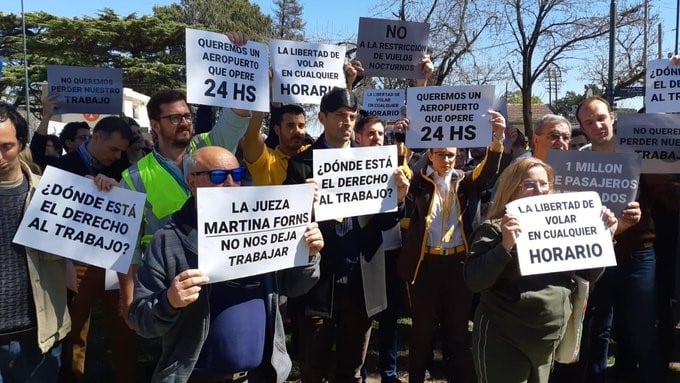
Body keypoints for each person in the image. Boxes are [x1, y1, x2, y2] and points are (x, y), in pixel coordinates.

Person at [129, 146, 324, 382]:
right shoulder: (169, 240)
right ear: (192, 182)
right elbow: (141, 321)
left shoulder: (263, 229)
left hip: (261, 375)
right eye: (219, 177)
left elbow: (294, 287)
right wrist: (170, 300)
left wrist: (309, 256)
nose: (231, 184)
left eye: (238, 175)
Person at [119, 32, 252, 321]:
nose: (185, 122)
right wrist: (127, 295)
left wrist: (238, 59)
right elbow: (127, 244)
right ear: (154, 124)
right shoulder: (133, 177)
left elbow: (239, 113)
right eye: (175, 118)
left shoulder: (211, 144)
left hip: (224, 258)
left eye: (187, 115)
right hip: (169, 274)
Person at [284, 87, 410, 383]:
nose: (347, 122)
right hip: (318, 286)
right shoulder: (301, 166)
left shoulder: (375, 161)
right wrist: (304, 203)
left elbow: (384, 222)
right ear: (322, 118)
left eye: (352, 116)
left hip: (362, 282)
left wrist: (400, 198)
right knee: (313, 369)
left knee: (352, 371)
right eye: (340, 115)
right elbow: (291, 228)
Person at [464, 157, 618, 383]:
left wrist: (604, 239)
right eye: (529, 185)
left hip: (547, 339)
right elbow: (474, 281)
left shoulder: (564, 227)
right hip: (504, 339)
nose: (539, 190)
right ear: (511, 188)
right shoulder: (495, 228)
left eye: (544, 184)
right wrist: (505, 245)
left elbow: (587, 276)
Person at [398, 110, 506, 383]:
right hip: (425, 266)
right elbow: (401, 170)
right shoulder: (418, 184)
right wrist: (401, 138)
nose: (446, 159)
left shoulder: (464, 181)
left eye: (450, 154)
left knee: (457, 332)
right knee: (421, 332)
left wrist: (498, 138)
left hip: (457, 265)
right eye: (440, 154)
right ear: (430, 155)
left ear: (457, 154)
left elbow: (487, 172)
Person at [573, 96, 664, 382]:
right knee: (595, 327)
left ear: (613, 117)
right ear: (582, 129)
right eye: (588, 122)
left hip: (638, 253)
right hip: (596, 256)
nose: (597, 125)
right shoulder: (578, 162)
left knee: (642, 327)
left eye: (601, 117)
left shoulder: (641, 153)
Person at [51, 116, 137, 383]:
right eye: (113, 149)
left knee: (124, 325)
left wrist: (117, 188)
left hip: (114, 260)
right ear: (95, 137)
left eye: (122, 151)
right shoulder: (61, 166)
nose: (118, 155)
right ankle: (74, 377)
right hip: (76, 261)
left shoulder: (124, 169)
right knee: (75, 329)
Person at [0, 101, 71, 382]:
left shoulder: (54, 193)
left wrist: (103, 193)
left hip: (39, 334)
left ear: (21, 143)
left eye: (6, 146)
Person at [353, 114, 407, 383]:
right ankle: (358, 370)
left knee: (390, 317)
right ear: (358, 137)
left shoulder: (396, 167)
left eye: (380, 134)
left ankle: (388, 372)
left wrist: (399, 197)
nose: (376, 138)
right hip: (363, 255)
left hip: (391, 249)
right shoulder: (346, 168)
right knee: (362, 317)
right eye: (371, 134)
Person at [242, 104, 310, 186]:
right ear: (277, 130)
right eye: (290, 126)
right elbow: (252, 136)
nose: (297, 131)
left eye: (301, 126)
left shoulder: (313, 154)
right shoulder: (266, 161)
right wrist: (260, 97)